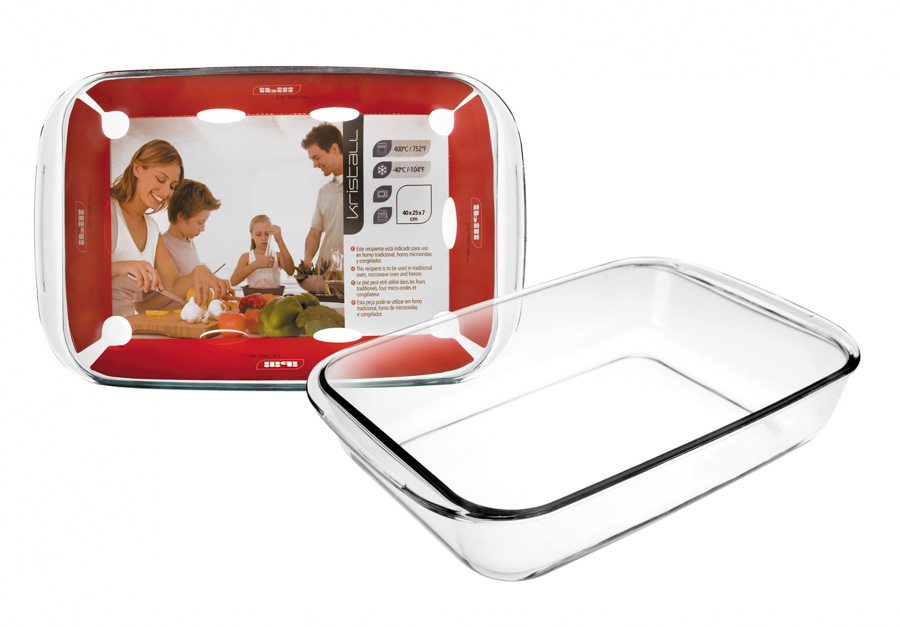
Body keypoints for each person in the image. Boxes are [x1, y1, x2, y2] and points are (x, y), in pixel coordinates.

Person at [109, 140, 231, 316]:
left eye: (173, 186)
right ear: (137, 169)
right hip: (98, 325)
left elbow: (172, 286)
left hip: (128, 324)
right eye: (161, 179)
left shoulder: (152, 228)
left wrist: (200, 272)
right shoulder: (108, 210)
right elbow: (77, 277)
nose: (166, 192)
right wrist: (120, 267)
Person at [300, 122, 343, 268]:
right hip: (324, 272)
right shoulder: (324, 192)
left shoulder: (363, 185)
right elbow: (315, 232)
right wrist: (307, 258)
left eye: (317, 157)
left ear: (334, 149)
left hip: (353, 272)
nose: (314, 165)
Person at [161, 179, 221, 275]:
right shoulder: (163, 246)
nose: (203, 228)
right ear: (181, 217)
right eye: (200, 222)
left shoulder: (189, 241)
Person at [230, 214, 296, 288]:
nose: (263, 238)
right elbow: (233, 282)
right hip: (253, 295)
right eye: (258, 234)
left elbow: (291, 271)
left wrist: (279, 240)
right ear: (252, 235)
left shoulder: (278, 256)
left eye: (267, 234)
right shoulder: (246, 257)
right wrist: (255, 264)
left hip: (274, 295)